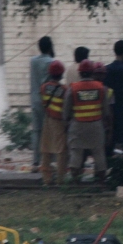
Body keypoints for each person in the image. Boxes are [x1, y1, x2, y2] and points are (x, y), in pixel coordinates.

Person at [63, 59, 111, 184]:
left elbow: (66, 112)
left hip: (77, 126)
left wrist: (66, 125)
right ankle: (101, 181)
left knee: (76, 153)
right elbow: (106, 111)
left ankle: (75, 181)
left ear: (80, 73)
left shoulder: (73, 88)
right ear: (92, 72)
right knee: (98, 153)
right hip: (96, 126)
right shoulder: (101, 88)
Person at [38, 60, 68, 186]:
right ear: (61, 75)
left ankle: (46, 179)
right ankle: (60, 179)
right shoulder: (64, 89)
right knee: (61, 150)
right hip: (59, 122)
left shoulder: (44, 87)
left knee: (46, 149)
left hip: (47, 119)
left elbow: (42, 102)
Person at [29, 36, 55, 171]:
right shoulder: (52, 62)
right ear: (50, 46)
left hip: (34, 99)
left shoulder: (32, 61)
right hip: (48, 100)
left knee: (36, 131)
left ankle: (35, 162)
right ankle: (50, 160)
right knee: (49, 130)